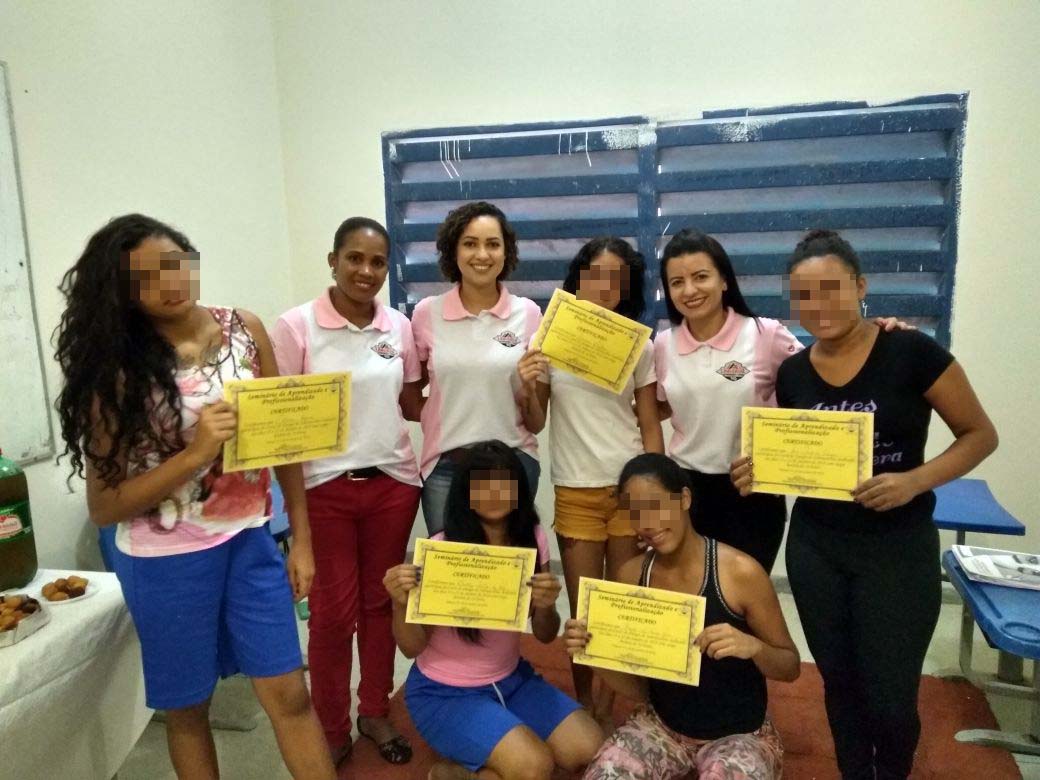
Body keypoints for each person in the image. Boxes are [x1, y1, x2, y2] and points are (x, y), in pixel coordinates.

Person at [54, 214, 335, 779]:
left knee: (291, 695)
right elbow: (106, 507)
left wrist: (301, 539)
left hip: (250, 542)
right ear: (125, 295)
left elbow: (286, 445)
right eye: (147, 279)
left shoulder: (244, 330)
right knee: (187, 713)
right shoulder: (118, 368)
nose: (170, 281)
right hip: (165, 563)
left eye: (174, 262)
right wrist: (193, 455)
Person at [732, 229, 998, 780]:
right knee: (839, 682)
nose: (819, 306)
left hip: (897, 549)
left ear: (861, 285)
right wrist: (760, 472)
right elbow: (797, 457)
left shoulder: (911, 351)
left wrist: (914, 481)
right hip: (817, 547)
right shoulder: (794, 372)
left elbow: (979, 434)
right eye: (804, 296)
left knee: (891, 692)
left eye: (832, 289)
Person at [656, 228, 909, 572]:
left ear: (724, 280)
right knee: (692, 599)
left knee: (745, 601)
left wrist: (875, 333)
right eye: (676, 282)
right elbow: (661, 406)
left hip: (751, 489)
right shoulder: (662, 345)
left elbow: (821, 379)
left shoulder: (764, 333)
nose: (690, 290)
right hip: (685, 490)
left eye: (701, 277)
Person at [271, 216, 421, 766]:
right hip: (324, 489)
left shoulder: (398, 326)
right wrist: (297, 523)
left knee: (381, 604)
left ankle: (374, 712)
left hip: (393, 485)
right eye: (354, 258)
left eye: (377, 262)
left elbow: (410, 404)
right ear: (332, 260)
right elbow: (281, 429)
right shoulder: (295, 327)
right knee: (334, 616)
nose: (365, 270)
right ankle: (331, 728)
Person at [566, 452, 800, 780]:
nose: (647, 522)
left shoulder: (740, 573)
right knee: (605, 773)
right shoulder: (632, 574)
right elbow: (640, 689)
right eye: (635, 512)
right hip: (663, 726)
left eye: (656, 504)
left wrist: (753, 647)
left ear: (685, 498)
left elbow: (790, 666)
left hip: (739, 734)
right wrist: (592, 655)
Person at [384, 441, 603, 779]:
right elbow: (411, 647)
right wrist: (400, 604)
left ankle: (466, 770)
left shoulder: (531, 537)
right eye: (482, 484)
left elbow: (545, 635)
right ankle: (458, 769)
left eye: (504, 483)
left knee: (587, 747)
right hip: (443, 693)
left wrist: (545, 607)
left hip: (512, 680)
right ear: (466, 493)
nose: (494, 493)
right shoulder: (444, 549)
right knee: (535, 766)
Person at [526, 236, 663, 725]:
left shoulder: (637, 343)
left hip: (628, 488)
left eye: (616, 280)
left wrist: (658, 492)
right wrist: (530, 381)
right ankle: (586, 709)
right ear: (578, 278)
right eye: (595, 276)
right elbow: (536, 419)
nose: (604, 287)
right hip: (576, 490)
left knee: (622, 605)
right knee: (585, 609)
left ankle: (619, 709)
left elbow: (648, 424)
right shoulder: (550, 336)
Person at [412, 201, 545, 534]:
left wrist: (528, 388)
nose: (482, 254)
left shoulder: (528, 314)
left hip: (513, 464)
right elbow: (410, 394)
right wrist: (439, 418)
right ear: (452, 251)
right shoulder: (427, 313)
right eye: (470, 243)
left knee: (510, 573)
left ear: (506, 252)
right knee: (451, 575)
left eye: (493, 244)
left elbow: (537, 422)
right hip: (446, 466)